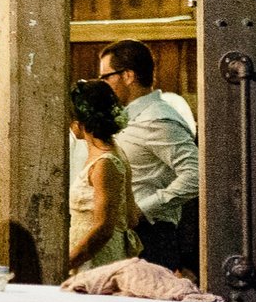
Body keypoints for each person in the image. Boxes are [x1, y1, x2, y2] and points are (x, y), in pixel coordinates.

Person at [98, 40, 201, 276]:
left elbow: (196, 174)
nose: (104, 84)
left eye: (106, 77)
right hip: (128, 233)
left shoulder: (158, 119)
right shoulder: (129, 117)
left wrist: (144, 210)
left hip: (149, 236)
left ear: (128, 76)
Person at [69, 79, 144, 274]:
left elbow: (103, 227)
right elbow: (132, 216)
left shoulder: (105, 163)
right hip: (90, 251)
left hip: (95, 258)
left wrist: (69, 262)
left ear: (80, 122)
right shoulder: (111, 154)